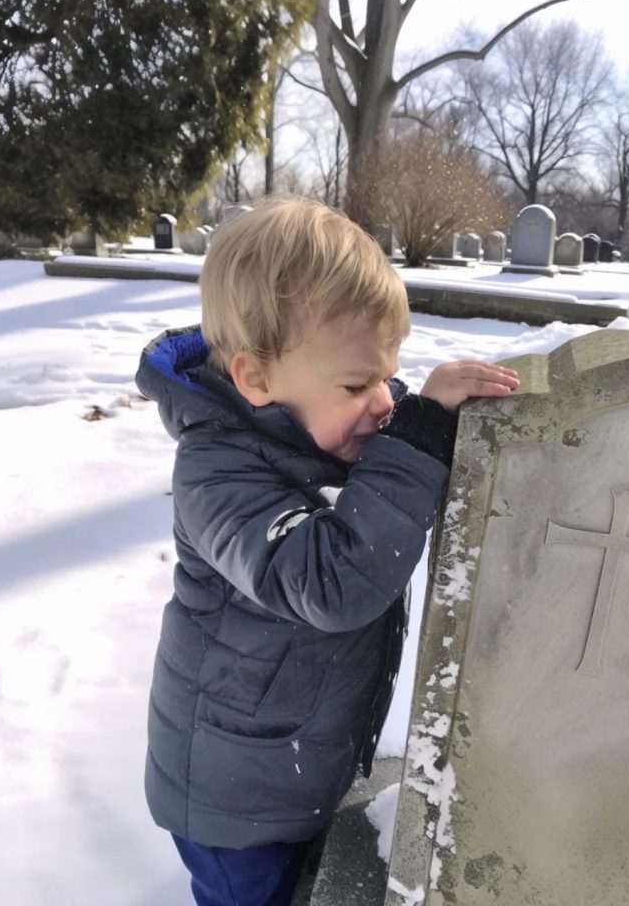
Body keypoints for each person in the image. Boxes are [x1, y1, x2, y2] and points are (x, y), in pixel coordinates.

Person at [135, 197, 519, 906]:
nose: (384, 401)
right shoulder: (218, 473)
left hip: (293, 767)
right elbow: (331, 584)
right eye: (357, 383)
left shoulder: (314, 428)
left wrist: (435, 431)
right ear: (256, 380)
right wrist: (414, 442)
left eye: (388, 375)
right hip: (233, 805)